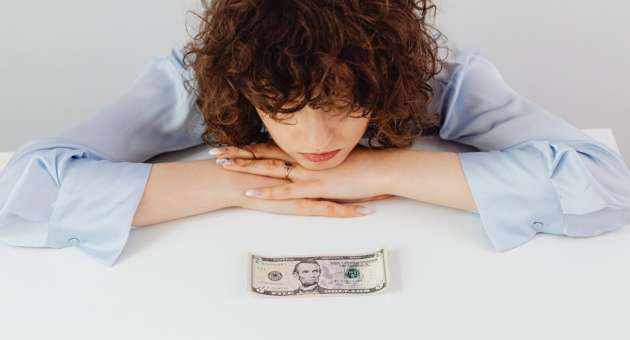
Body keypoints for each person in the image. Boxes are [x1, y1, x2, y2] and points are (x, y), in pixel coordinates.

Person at [1, 0, 629, 266]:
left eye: (346, 105)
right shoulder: (198, 79)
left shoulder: (441, 80)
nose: (315, 138)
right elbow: (23, 193)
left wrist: (377, 170)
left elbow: (602, 184)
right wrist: (235, 182)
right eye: (282, 111)